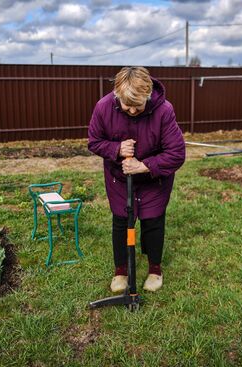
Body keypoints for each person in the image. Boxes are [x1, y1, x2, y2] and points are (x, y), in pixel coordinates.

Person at [88, 66, 186, 293]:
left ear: (148, 96)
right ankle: (121, 271)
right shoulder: (103, 107)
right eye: (126, 105)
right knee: (121, 222)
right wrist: (116, 148)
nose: (132, 111)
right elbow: (94, 141)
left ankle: (155, 269)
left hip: (154, 180)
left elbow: (176, 153)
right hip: (119, 180)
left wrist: (144, 165)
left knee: (153, 221)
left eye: (138, 106)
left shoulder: (164, 111)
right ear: (116, 95)